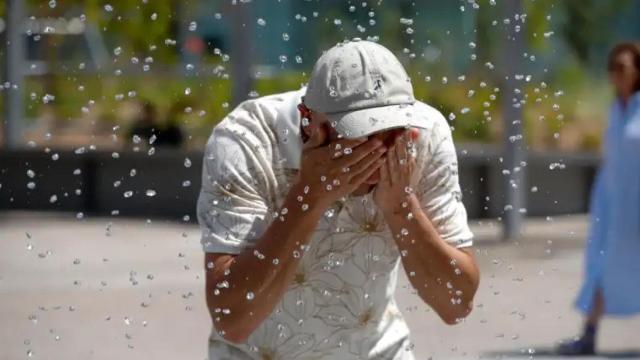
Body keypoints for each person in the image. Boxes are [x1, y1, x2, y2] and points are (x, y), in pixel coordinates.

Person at [197, 39, 480, 359]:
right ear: (308, 121)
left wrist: (401, 208)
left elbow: (456, 304)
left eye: (390, 132)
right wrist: (308, 196)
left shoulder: (424, 136)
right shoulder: (247, 139)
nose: (377, 150)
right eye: (359, 135)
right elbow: (232, 319)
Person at [557, 42, 640, 355]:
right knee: (601, 265)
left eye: (622, 67)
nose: (615, 74)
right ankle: (589, 334)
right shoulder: (614, 109)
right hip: (612, 202)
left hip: (637, 203)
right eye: (612, 68)